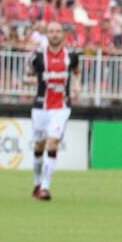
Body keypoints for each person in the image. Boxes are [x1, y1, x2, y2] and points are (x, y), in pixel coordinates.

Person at [29, 22, 80, 201]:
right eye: (51, 31)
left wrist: (77, 86)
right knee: (38, 146)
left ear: (63, 34)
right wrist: (28, 80)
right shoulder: (39, 57)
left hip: (61, 107)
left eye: (58, 31)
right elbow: (30, 74)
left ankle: (45, 188)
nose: (55, 34)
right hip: (41, 107)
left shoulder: (71, 56)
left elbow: (76, 71)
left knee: (52, 144)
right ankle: (37, 183)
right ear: (47, 35)